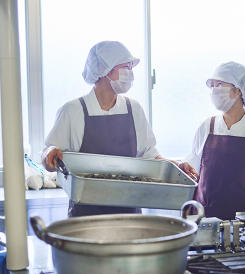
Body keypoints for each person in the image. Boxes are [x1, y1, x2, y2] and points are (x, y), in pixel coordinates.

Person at [42, 41, 197, 217]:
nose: (130, 73)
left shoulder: (134, 109)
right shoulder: (72, 110)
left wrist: (177, 167)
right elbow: (50, 160)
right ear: (102, 68)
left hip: (129, 214)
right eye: (125, 67)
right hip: (86, 217)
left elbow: (149, 157)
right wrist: (49, 154)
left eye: (131, 68)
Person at [183, 61, 245, 221]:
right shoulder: (206, 127)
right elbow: (191, 177)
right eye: (211, 86)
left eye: (219, 84)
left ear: (239, 90)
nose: (213, 90)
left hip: (240, 223)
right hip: (203, 220)